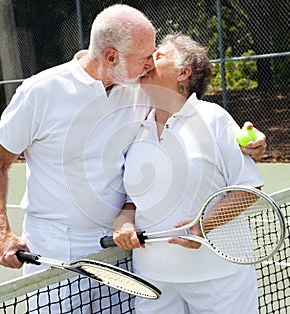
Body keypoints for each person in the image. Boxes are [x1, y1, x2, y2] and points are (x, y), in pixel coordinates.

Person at [0, 3, 264, 310]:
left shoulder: (140, 92)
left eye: (154, 55)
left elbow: (186, 113)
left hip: (121, 252)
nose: (149, 65)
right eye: (145, 57)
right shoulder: (39, 92)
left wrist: (251, 142)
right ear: (111, 57)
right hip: (55, 249)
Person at [112, 33, 263, 314]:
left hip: (219, 280)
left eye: (158, 56)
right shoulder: (136, 128)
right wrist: (123, 223)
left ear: (183, 72)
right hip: (153, 281)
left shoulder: (213, 118)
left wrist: (201, 226)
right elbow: (132, 202)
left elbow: (248, 189)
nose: (148, 61)